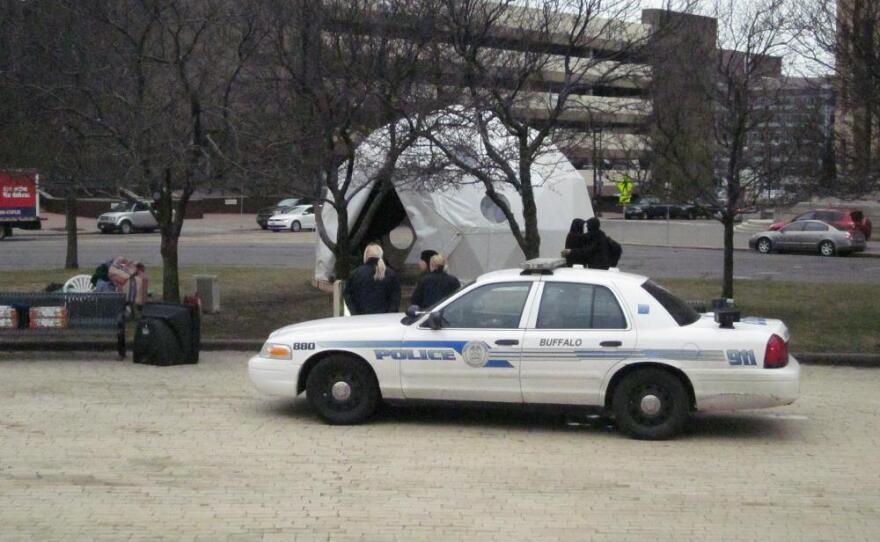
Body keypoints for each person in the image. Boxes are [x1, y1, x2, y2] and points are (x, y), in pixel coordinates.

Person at [343, 243, 401, 315]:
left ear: (365, 255)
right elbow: (395, 299)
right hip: (385, 320)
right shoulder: (391, 274)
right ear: (381, 255)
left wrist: (355, 313)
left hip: (361, 319)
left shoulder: (355, 274)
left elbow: (348, 296)